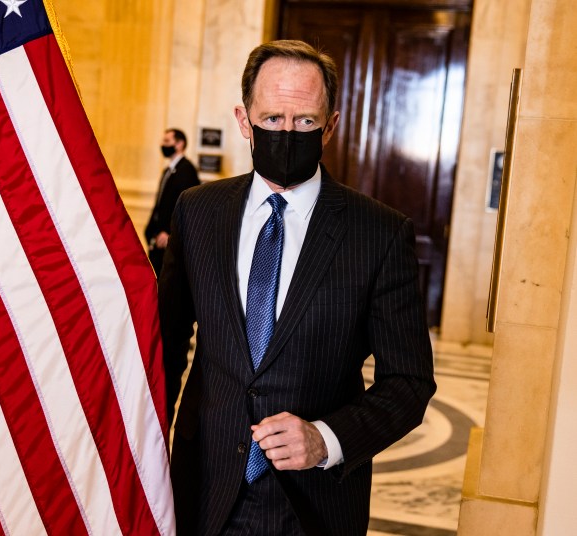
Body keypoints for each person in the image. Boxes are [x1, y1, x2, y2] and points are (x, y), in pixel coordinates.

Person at [158, 40, 436, 535]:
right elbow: (166, 346)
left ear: (329, 126)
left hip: (315, 506)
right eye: (272, 119)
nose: (287, 132)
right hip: (202, 492)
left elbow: (409, 383)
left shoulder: (379, 233)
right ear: (244, 120)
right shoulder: (197, 212)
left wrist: (326, 438)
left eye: (305, 121)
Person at [145, 128, 200, 276]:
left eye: (167, 141)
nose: (163, 144)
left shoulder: (187, 170)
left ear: (180, 144)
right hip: (158, 238)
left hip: (170, 240)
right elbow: (160, 203)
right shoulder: (167, 171)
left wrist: (171, 233)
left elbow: (189, 208)